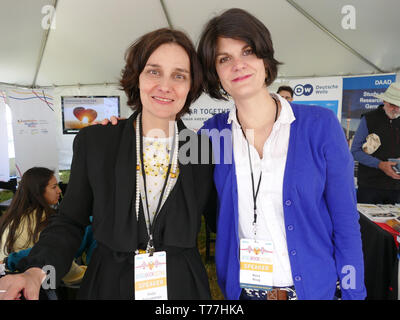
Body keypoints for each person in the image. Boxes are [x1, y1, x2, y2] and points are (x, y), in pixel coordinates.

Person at [0, 28, 215, 300]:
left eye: (179, 75)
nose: (165, 85)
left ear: (191, 85)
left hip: (182, 287)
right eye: (153, 71)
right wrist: (36, 270)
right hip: (109, 284)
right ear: (136, 76)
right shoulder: (98, 142)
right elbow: (69, 221)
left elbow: (228, 219)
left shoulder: (203, 150)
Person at [197, 8, 366, 300]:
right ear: (215, 74)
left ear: (265, 58)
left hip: (313, 291)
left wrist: (354, 293)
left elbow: (346, 222)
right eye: (224, 58)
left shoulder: (320, 126)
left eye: (247, 51)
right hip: (246, 294)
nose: (238, 65)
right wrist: (115, 135)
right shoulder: (211, 136)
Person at [0, 167, 87, 287]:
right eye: (54, 187)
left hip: (9, 276)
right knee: (88, 228)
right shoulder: (43, 221)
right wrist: (89, 273)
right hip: (35, 280)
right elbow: (55, 257)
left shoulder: (13, 216)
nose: (60, 191)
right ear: (38, 192)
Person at [351, 82, 400, 204]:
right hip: (370, 186)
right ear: (384, 101)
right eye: (393, 104)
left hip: (397, 189)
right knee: (367, 223)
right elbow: (355, 151)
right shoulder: (369, 119)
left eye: (399, 105)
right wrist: (380, 164)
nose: (396, 109)